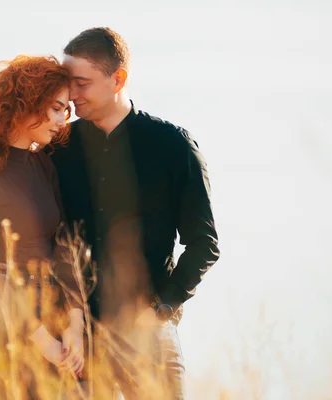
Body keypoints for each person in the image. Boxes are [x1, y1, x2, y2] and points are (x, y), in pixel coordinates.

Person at [49, 27, 221, 399]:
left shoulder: (173, 145)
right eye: (68, 84)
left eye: (81, 83)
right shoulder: (58, 149)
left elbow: (204, 244)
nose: (71, 95)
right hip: (75, 340)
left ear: (118, 79)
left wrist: (161, 309)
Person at [0, 55, 85, 400]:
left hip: (56, 324)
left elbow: (65, 244)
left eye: (66, 110)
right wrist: (41, 340)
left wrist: (75, 324)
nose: (61, 120)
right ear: (25, 101)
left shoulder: (45, 167)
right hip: (1, 331)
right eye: (55, 108)